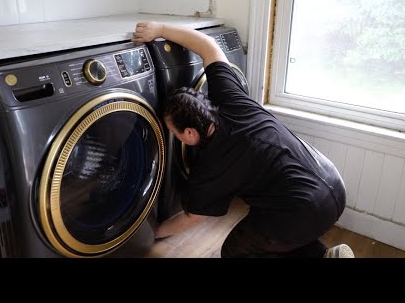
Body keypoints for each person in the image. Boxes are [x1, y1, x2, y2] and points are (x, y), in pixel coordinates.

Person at [132, 21, 355, 258]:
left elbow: (192, 217)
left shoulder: (210, 167)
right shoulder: (229, 96)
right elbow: (208, 46)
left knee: (235, 251)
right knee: (275, 222)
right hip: (332, 181)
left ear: (189, 133)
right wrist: (161, 29)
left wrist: (152, 231)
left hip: (304, 207)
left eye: (173, 133)